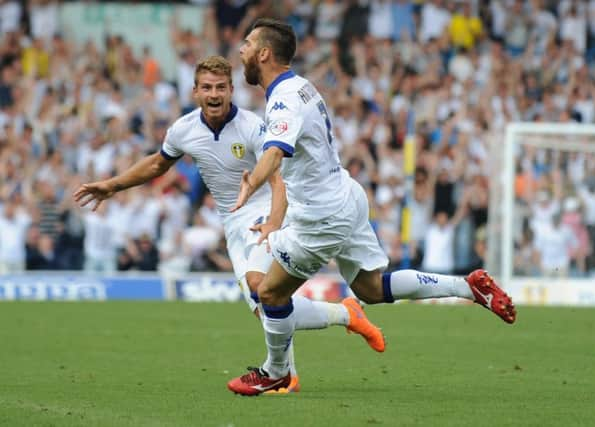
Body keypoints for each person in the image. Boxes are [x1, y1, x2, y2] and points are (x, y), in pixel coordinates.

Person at [227, 18, 517, 396]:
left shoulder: (282, 101)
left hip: (321, 217)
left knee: (269, 294)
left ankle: (276, 372)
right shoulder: (301, 87)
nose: (241, 50)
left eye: (248, 44)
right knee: (372, 288)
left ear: (264, 53)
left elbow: (274, 154)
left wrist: (253, 182)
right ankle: (469, 287)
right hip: (347, 195)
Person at [73, 55, 384, 394]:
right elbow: (157, 165)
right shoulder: (184, 130)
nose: (214, 94)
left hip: (265, 211)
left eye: (221, 87)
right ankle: (341, 320)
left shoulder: (252, 126)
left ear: (232, 89)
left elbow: (279, 179)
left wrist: (275, 223)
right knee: (266, 310)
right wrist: (112, 185)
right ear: (195, 91)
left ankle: (282, 373)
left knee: (259, 285)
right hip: (232, 222)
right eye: (207, 87)